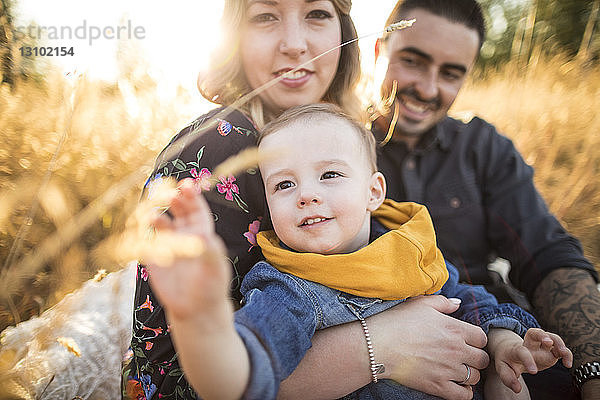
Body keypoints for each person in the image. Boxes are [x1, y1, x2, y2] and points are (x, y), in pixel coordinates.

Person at [123, 1, 496, 399]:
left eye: (317, 13)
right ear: (234, 35)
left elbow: (463, 295)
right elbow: (191, 383)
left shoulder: (339, 133)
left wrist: (505, 341)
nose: (295, 44)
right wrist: (382, 343)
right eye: (266, 16)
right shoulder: (219, 147)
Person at [144, 103, 572, 400]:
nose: (306, 195)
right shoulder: (288, 288)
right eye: (284, 184)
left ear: (373, 192)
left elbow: (465, 302)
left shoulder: (406, 249)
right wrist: (199, 317)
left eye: (329, 175)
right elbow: (239, 376)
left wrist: (501, 341)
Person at [369, 0, 600, 399]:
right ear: (379, 51)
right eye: (413, 61)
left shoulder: (483, 148)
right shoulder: (328, 149)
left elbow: (547, 255)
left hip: (503, 343)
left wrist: (593, 370)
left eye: (450, 74)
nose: (427, 88)